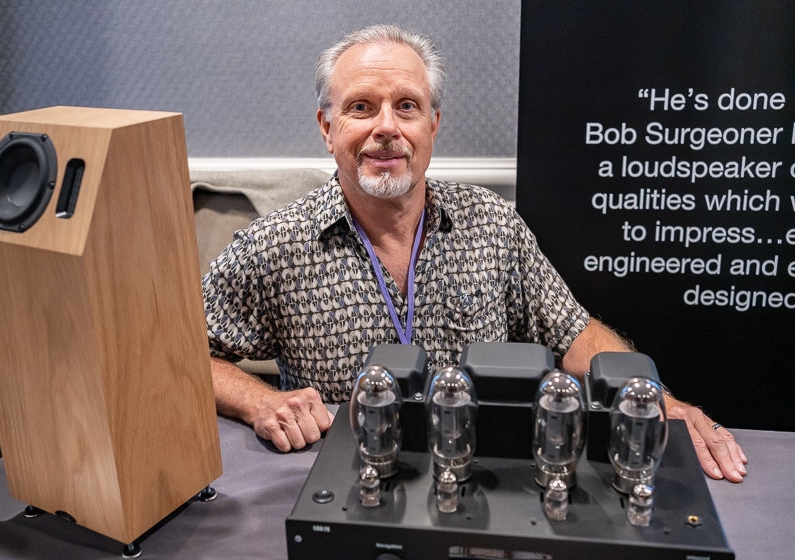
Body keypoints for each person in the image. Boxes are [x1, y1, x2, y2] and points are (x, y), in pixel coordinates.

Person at [203, 24, 747, 482]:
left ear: (432, 125)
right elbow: (180, 357)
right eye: (361, 107)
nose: (386, 128)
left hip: (482, 486)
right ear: (328, 127)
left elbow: (573, 332)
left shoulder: (492, 224)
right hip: (349, 488)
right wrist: (260, 400)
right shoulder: (272, 246)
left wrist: (652, 399)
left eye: (407, 106)